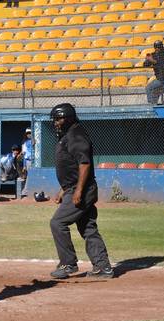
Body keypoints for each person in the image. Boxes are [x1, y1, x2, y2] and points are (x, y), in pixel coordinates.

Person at [48, 103, 113, 279]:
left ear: (68, 118)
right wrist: (64, 190)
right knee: (88, 227)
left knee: (58, 223)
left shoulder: (76, 135)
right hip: (74, 188)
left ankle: (68, 263)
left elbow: (84, 164)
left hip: (82, 190)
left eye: (58, 119)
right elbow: (70, 167)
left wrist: (78, 191)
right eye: (54, 119)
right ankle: (103, 267)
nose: (56, 123)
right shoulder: (70, 134)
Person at [143, 40, 164, 105]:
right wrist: (147, 60)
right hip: (159, 78)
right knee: (148, 88)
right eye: (156, 47)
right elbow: (145, 65)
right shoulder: (153, 54)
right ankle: (152, 104)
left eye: (159, 47)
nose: (157, 49)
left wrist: (153, 61)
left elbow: (163, 64)